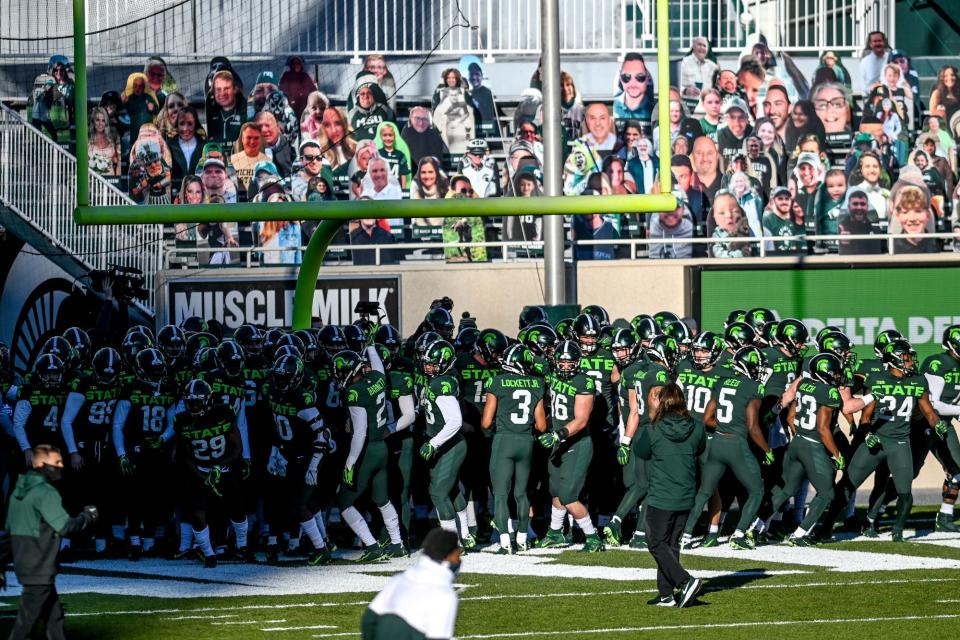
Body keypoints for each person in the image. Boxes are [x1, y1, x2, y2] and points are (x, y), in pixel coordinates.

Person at [683, 346, 774, 549]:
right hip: (736, 443)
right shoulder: (754, 387)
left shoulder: (722, 382)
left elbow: (707, 419)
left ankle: (686, 536)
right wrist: (767, 450)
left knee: (704, 492)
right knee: (757, 490)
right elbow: (753, 427)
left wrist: (725, 426)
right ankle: (739, 535)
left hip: (716, 442)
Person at [7, 444, 98, 640]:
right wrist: (87, 517)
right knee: (25, 626)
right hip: (40, 567)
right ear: (41, 464)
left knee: (54, 618)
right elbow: (65, 527)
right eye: (56, 462)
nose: (61, 466)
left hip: (26, 564)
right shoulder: (46, 492)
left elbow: (10, 533)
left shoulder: (19, 490)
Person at [637, 383, 705, 607]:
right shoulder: (696, 426)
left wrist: (651, 416)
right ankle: (666, 594)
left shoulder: (653, 427)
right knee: (671, 544)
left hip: (661, 494)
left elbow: (641, 451)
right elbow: (700, 448)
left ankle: (685, 581)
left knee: (656, 543)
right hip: (686, 493)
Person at [360, 528, 461, 640]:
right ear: (447, 556)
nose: (459, 560)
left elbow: (369, 620)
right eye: (457, 555)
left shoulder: (399, 579)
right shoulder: (444, 594)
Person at [891, 183, 939, 254]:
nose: (912, 218)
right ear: (898, 216)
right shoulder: (892, 250)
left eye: (918, 211)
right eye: (905, 212)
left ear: (928, 215)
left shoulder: (937, 248)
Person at [838, 186, 883, 254]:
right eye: (855, 204)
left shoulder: (874, 227)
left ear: (867, 207)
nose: (859, 207)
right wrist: (843, 244)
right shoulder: (841, 228)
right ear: (849, 207)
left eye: (862, 204)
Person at [206, 69, 246, 146]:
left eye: (227, 88)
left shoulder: (245, 111)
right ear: (213, 92)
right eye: (218, 89)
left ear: (235, 89)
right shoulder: (210, 112)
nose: (222, 93)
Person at [613, 53, 655, 124]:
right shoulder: (614, 107)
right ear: (620, 79)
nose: (633, 84)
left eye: (640, 77)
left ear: (647, 78)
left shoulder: (655, 109)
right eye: (626, 77)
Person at [230, 122, 269, 194]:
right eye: (249, 137)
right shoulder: (233, 157)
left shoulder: (267, 159)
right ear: (242, 138)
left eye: (256, 138)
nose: (252, 141)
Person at [763, 186, 804, 253]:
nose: (784, 202)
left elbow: (793, 247)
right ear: (773, 201)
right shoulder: (767, 219)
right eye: (780, 199)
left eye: (787, 199)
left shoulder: (790, 224)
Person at [254, 111, 294, 177]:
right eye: (259, 126)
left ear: (278, 128)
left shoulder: (291, 146)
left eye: (267, 125)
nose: (264, 130)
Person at [87, 106, 121, 178]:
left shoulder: (113, 137)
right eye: (97, 120)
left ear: (106, 122)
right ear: (93, 121)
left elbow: (119, 163)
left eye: (103, 120)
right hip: (92, 180)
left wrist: (117, 182)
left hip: (110, 183)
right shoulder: (87, 138)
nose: (100, 124)